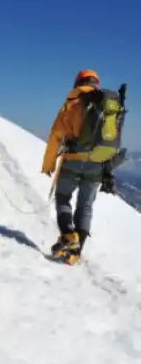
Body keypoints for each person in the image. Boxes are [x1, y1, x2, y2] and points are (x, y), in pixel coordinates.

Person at [41, 69, 128, 264]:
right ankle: (76, 252)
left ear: (77, 82)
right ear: (96, 83)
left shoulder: (72, 102)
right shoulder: (109, 106)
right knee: (85, 205)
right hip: (98, 164)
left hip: (73, 159)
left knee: (63, 197)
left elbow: (56, 136)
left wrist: (48, 165)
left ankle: (68, 235)